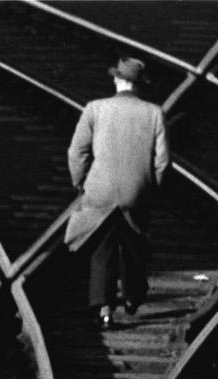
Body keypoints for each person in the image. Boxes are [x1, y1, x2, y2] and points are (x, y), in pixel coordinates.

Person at [65, 56, 169, 328]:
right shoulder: (154, 112)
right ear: (139, 85)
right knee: (134, 244)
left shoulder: (95, 109)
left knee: (103, 247)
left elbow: (77, 152)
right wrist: (149, 187)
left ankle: (105, 309)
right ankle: (133, 297)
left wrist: (81, 182)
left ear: (117, 80)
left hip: (101, 191)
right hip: (137, 192)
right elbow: (163, 162)